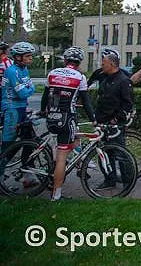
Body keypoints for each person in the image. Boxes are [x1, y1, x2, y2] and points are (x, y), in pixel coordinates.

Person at [42, 47, 95, 201]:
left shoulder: (52, 73)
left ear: (65, 60)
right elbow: (86, 102)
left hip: (52, 117)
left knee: (73, 139)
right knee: (62, 158)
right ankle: (56, 195)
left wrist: (43, 111)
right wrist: (93, 119)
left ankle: (78, 162)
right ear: (79, 62)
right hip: (67, 119)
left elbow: (45, 97)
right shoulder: (80, 77)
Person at [93, 48, 135, 190]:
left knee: (120, 153)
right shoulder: (106, 79)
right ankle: (109, 179)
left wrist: (117, 119)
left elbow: (128, 103)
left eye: (104, 63)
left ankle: (127, 181)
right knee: (104, 153)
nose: (101, 66)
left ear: (112, 64)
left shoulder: (123, 80)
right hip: (102, 121)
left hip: (114, 124)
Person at [0, 42, 37, 188]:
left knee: (30, 140)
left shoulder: (24, 69)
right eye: (27, 56)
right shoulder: (12, 71)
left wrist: (29, 88)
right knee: (8, 145)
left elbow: (28, 89)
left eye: (31, 56)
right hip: (12, 109)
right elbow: (23, 93)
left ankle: (27, 175)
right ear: (18, 57)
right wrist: (31, 88)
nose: (30, 59)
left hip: (21, 108)